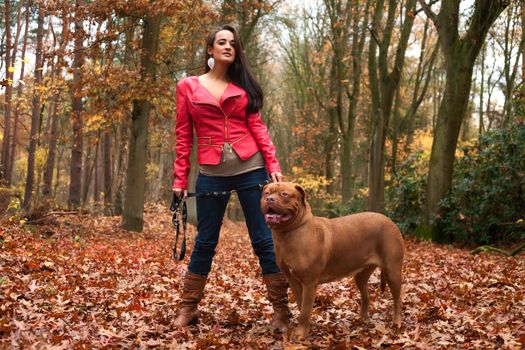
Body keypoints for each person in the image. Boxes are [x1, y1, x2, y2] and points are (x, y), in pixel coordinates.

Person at [172, 24, 290, 330]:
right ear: (210, 50)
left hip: (251, 168)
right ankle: (187, 307)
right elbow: (184, 135)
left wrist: (272, 162)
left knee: (264, 240)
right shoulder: (188, 86)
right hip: (211, 173)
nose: (227, 46)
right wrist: (179, 180)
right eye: (221, 42)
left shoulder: (243, 89)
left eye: (232, 44)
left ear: (236, 53)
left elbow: (258, 128)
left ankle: (281, 311)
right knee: (205, 242)